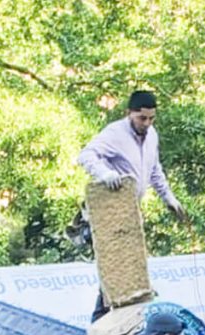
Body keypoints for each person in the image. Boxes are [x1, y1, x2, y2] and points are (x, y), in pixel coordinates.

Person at [77, 90, 189, 321]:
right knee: (115, 269)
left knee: (127, 270)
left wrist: (169, 198)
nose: (146, 123)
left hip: (132, 211)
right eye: (142, 118)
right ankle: (99, 323)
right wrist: (106, 174)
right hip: (111, 210)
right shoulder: (115, 133)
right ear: (129, 113)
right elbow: (86, 156)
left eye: (151, 119)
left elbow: (155, 170)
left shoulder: (152, 135)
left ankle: (112, 322)